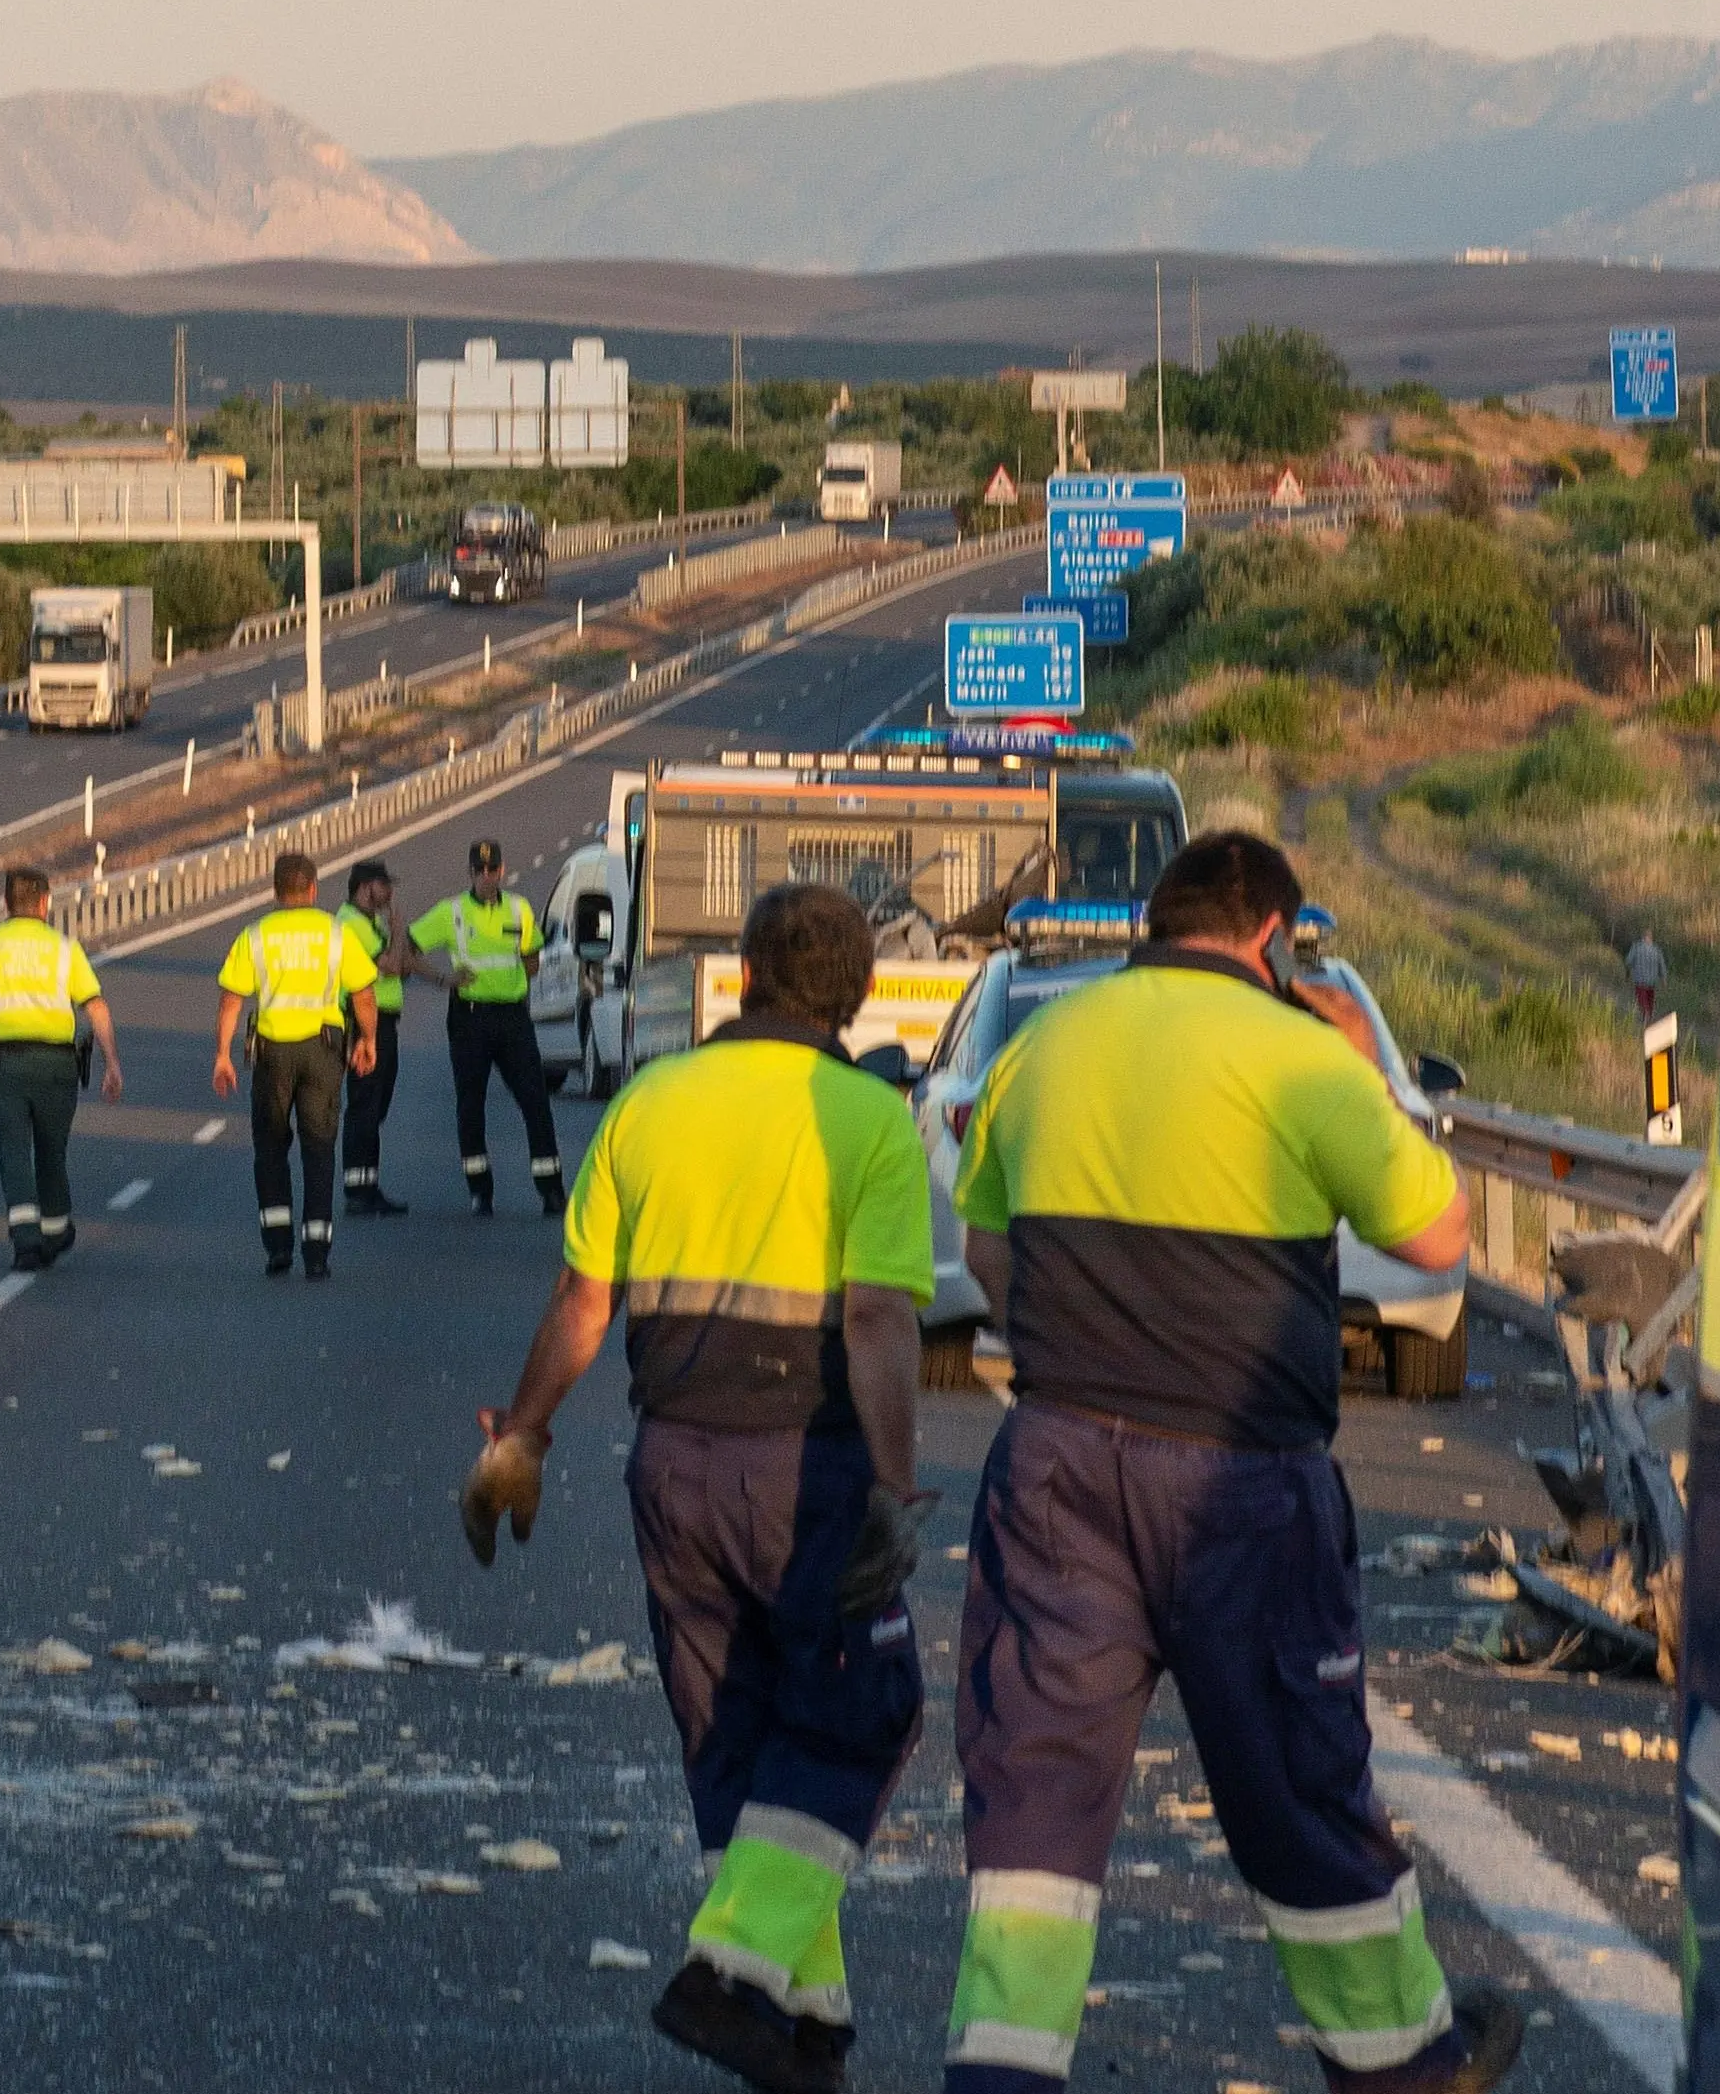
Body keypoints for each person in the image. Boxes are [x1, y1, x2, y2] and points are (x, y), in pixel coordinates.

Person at [937, 829, 1523, 2094]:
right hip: (1241, 1480)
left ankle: (1000, 2067)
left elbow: (989, 1263)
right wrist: (1362, 1067)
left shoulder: (1045, 1042)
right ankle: (1398, 2059)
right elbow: (1431, 1232)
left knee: (1035, 1786)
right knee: (1297, 1778)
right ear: (1269, 935)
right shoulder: (1305, 1057)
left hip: (1054, 1463)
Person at [459, 882, 936, 2094]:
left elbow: (582, 1301)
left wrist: (521, 1431)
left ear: (743, 970)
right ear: (860, 989)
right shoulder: (868, 1118)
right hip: (809, 1463)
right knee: (863, 1711)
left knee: (735, 1731)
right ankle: (731, 1968)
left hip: (671, 1458)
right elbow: (877, 1314)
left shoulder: (652, 1098)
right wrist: (895, 1479)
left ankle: (802, 2016)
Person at [0, 868, 121, 1269]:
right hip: (57, 1067)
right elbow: (95, 1006)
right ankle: (55, 1232)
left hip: (4, 1067)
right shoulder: (64, 948)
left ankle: (26, 1242)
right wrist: (112, 1063)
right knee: (52, 1151)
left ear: (5, 904)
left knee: (13, 1151)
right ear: (44, 902)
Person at [212, 851, 381, 1279]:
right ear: (312, 889)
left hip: (273, 1054)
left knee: (270, 1150)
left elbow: (232, 997)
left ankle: (277, 1248)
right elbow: (362, 992)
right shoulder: (335, 932)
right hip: (322, 1051)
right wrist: (369, 1041)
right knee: (319, 1148)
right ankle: (317, 1250)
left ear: (274, 890)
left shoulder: (255, 935)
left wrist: (222, 1055)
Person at [413, 836, 568, 1215]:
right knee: (471, 1105)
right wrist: (441, 979)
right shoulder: (450, 913)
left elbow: (532, 958)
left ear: (501, 870)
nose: (486, 876)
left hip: (512, 1017)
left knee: (535, 1101)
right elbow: (408, 948)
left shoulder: (518, 909)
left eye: (492, 869)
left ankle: (551, 1189)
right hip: (469, 1017)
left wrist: (516, 981)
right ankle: (480, 1191)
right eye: (479, 871)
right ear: (470, 873)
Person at [339, 852, 418, 1214]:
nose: (389, 893)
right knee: (365, 1103)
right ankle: (359, 1187)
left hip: (383, 1019)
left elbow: (400, 968)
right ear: (366, 888)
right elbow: (388, 965)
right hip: (363, 1021)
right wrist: (398, 928)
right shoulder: (352, 924)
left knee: (376, 1104)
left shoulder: (372, 923)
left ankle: (368, 1182)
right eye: (384, 886)